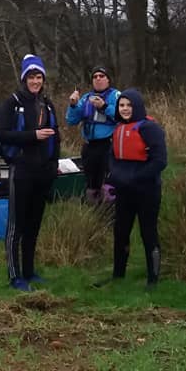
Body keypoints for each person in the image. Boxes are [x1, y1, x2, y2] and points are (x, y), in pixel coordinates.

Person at [0, 55, 60, 292]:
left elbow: (56, 136)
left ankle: (30, 271)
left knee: (34, 225)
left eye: (39, 77)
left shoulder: (48, 103)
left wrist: (54, 165)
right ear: (24, 79)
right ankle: (15, 276)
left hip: (43, 172)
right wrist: (32, 136)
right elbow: (2, 135)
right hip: (21, 170)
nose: (35, 81)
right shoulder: (12, 103)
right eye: (31, 77)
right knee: (17, 226)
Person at [95, 89, 167, 289]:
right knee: (121, 232)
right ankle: (118, 275)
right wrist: (115, 176)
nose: (125, 109)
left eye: (129, 105)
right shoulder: (118, 128)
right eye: (122, 105)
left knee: (148, 233)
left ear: (137, 106)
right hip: (125, 190)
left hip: (147, 190)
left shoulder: (150, 128)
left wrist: (135, 177)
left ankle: (153, 279)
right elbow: (112, 156)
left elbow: (160, 161)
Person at [66, 66, 121, 205]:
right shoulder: (85, 98)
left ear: (108, 80)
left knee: (107, 183)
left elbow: (122, 116)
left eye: (101, 76)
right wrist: (72, 105)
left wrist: (103, 106)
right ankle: (92, 214)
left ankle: (109, 215)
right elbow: (71, 120)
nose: (98, 79)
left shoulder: (116, 96)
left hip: (108, 146)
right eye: (95, 76)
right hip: (89, 147)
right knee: (91, 183)